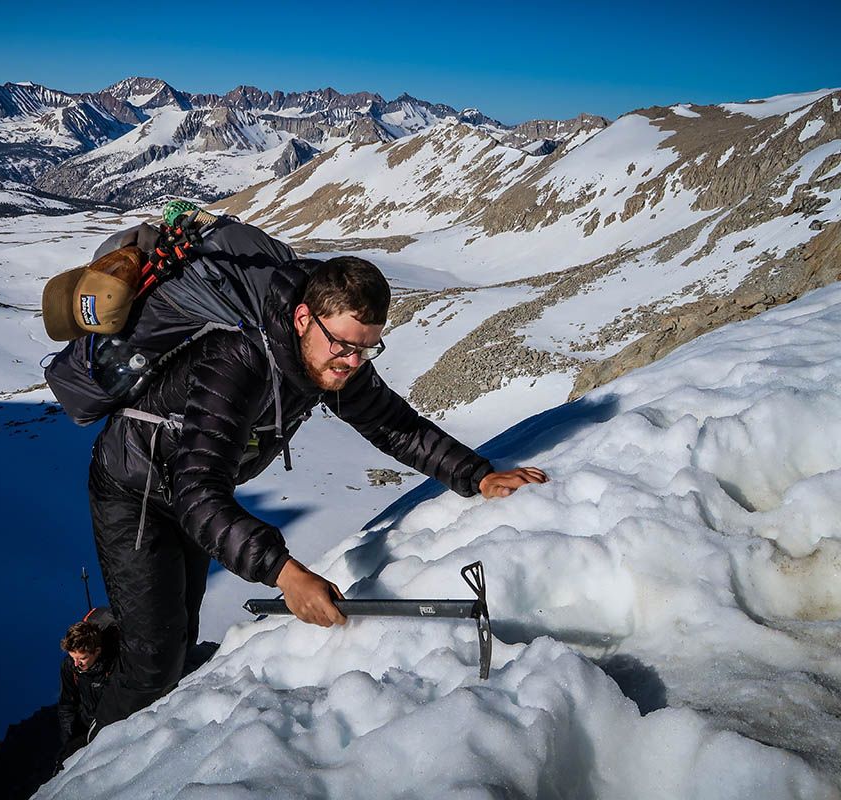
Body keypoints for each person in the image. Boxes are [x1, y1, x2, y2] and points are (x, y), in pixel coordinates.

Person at [79, 248, 547, 741]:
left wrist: (476, 475)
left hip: (190, 492)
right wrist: (285, 573)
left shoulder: (322, 351)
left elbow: (392, 425)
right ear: (303, 317)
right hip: (135, 490)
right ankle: (90, 755)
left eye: (367, 349)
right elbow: (198, 496)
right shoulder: (238, 360)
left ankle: (119, 679)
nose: (352, 362)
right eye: (344, 345)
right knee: (154, 658)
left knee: (176, 637)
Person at [54, 618, 116, 768]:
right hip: (86, 725)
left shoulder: (113, 663)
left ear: (97, 651)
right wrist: (69, 739)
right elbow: (67, 705)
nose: (76, 663)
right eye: (72, 657)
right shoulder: (69, 667)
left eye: (82, 658)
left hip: (110, 724)